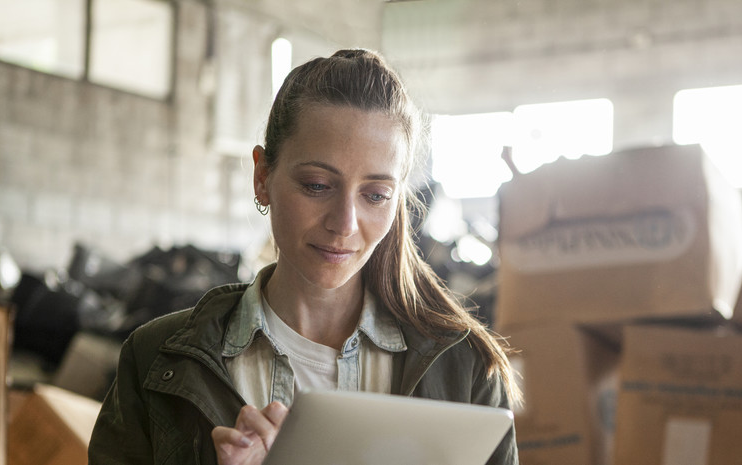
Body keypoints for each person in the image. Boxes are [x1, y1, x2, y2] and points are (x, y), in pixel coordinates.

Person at [88, 48, 520, 465]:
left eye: (375, 195)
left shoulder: (465, 369)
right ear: (262, 177)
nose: (345, 223)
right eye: (317, 185)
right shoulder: (154, 360)